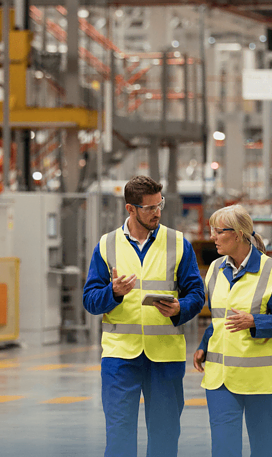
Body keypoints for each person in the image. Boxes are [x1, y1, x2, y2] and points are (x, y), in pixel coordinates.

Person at [83, 176, 205, 457]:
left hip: (164, 357)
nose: (157, 212)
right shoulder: (107, 245)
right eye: (149, 207)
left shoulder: (178, 243)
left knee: (165, 434)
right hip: (119, 357)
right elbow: (90, 301)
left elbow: (197, 295)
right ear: (130, 209)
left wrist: (179, 308)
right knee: (119, 432)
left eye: (159, 204)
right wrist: (112, 293)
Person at [193, 205, 272, 457]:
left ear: (239, 234)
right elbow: (220, 318)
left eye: (218, 232)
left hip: (260, 382)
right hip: (220, 379)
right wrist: (204, 345)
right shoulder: (215, 270)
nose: (212, 237)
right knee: (223, 448)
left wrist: (255, 321)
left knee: (264, 448)